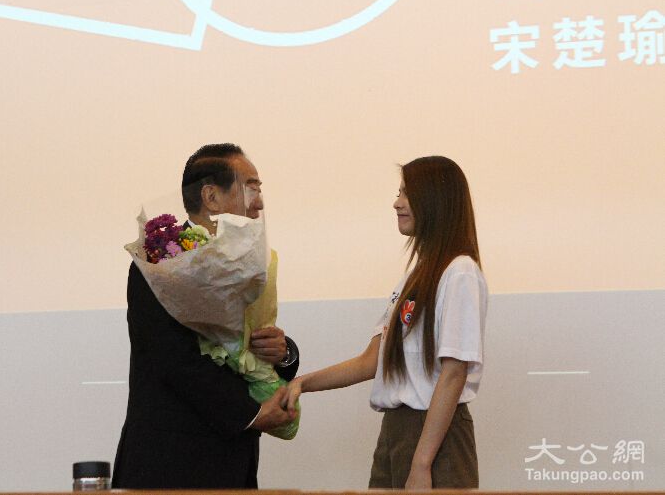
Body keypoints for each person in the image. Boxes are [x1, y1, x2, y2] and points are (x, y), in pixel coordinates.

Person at [284, 156, 487, 489]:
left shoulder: (459, 272)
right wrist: (302, 384)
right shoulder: (416, 276)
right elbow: (371, 360)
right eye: (399, 193)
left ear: (434, 201)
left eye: (407, 193)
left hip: (435, 438)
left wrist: (422, 463)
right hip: (396, 431)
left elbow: (454, 372)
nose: (397, 203)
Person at [112, 143, 299, 489]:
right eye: (251, 189)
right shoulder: (158, 264)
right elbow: (174, 359)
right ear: (211, 197)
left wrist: (283, 351)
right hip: (171, 462)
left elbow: (250, 343)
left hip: (234, 460)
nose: (259, 203)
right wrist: (252, 414)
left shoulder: (251, 266)